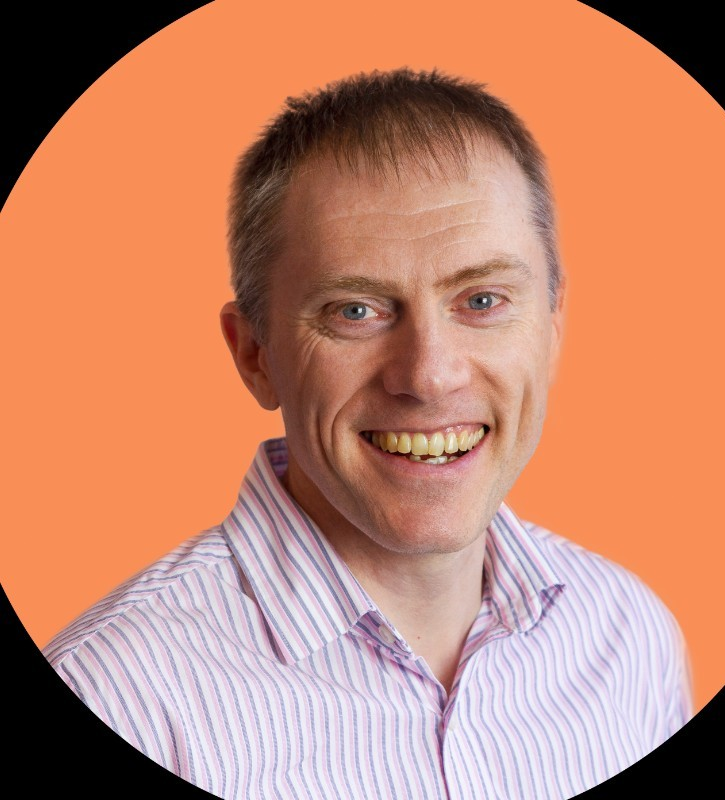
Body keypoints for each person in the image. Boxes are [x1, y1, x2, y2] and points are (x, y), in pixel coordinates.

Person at [43, 68, 692, 799]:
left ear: (552, 323)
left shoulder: (630, 639)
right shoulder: (115, 699)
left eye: (482, 300)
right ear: (254, 354)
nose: (429, 376)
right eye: (355, 311)